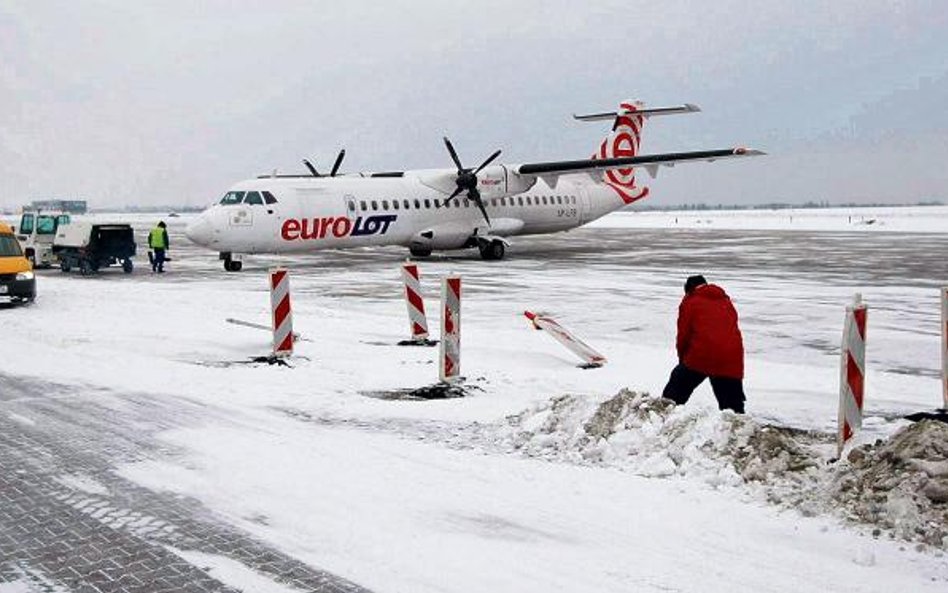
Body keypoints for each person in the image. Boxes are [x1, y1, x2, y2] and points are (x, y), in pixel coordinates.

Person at [662, 275, 746, 413]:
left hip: (701, 355)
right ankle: (738, 429)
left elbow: (684, 335)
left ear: (689, 290)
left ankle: (663, 417)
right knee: (732, 408)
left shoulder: (690, 301)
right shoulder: (725, 300)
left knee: (674, 393)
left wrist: (683, 360)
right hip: (731, 357)